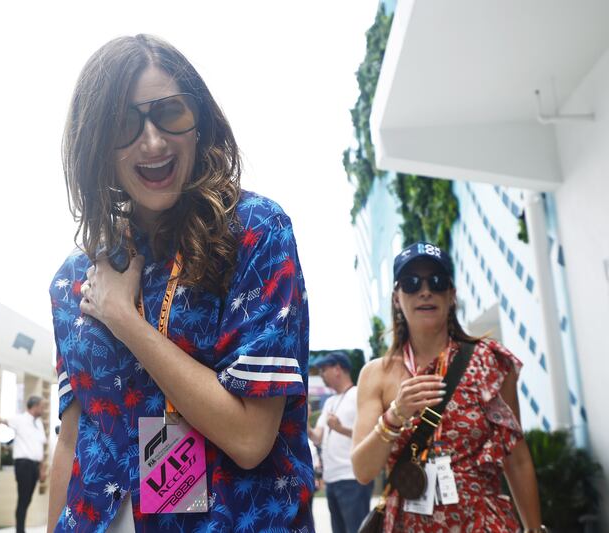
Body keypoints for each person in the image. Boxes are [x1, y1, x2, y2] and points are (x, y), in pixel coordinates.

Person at [48, 34, 314, 533]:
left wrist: (124, 319)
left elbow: (251, 437)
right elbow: (72, 435)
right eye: (124, 123)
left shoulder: (255, 233)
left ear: (199, 123)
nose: (152, 141)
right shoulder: (71, 281)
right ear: (98, 146)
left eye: (169, 113)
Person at [351, 242, 546, 532]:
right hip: (408, 523)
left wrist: (534, 529)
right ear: (396, 297)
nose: (425, 291)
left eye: (437, 282)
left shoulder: (488, 361)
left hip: (482, 522)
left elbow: (516, 459)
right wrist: (395, 414)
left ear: (451, 294)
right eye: (411, 283)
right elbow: (363, 471)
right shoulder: (376, 375)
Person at [308, 351, 372, 533]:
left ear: (337, 369)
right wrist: (305, 423)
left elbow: (371, 435)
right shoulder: (329, 402)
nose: (321, 375)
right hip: (332, 479)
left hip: (352, 477)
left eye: (323, 370)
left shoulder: (359, 394)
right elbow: (317, 437)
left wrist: (340, 429)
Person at [0, 396, 48, 533]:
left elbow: (40, 448)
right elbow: (1, 420)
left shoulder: (39, 423)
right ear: (34, 406)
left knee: (27, 499)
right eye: (41, 406)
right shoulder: (20, 419)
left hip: (35, 466)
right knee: (23, 499)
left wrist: (42, 469)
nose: (43, 409)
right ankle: (20, 530)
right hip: (23, 465)